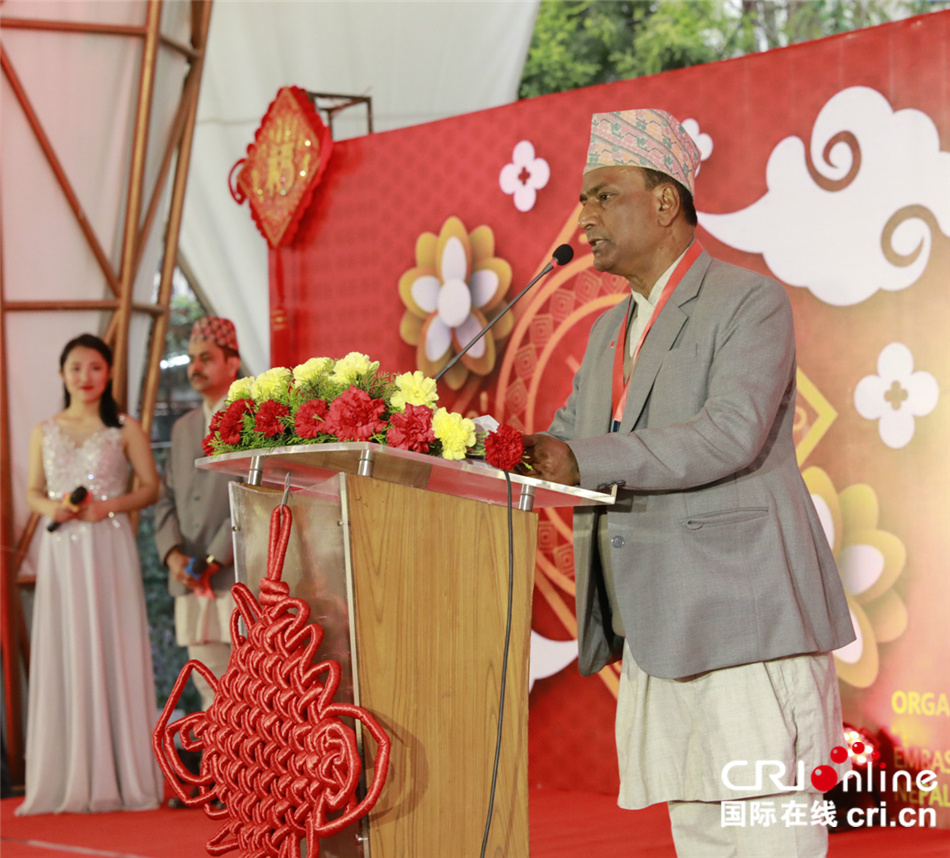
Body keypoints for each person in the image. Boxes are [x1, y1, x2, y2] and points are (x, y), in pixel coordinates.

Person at [522, 109, 855, 857]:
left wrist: (584, 460)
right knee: (699, 830)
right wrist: (468, 448)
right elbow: (565, 444)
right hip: (658, 625)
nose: (585, 216)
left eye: (604, 195)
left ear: (665, 202)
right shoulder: (611, 326)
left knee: (769, 828)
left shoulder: (748, 301)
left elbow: (729, 433)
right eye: (585, 199)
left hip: (746, 617)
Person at [18, 333, 163, 815]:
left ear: (108, 374)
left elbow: (150, 488)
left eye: (95, 368)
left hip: (109, 545)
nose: (86, 377)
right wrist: (55, 508)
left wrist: (108, 507)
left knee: (113, 642)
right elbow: (34, 493)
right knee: (68, 645)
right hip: (61, 549)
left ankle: (124, 774)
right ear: (62, 374)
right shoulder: (45, 429)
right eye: (76, 368)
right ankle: (69, 772)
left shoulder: (125, 427)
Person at [154, 317, 241, 716]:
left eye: (206, 358)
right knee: (209, 693)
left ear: (232, 364)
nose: (195, 367)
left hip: (234, 575)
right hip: (189, 579)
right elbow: (166, 497)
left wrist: (212, 560)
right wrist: (173, 557)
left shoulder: (253, 418)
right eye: (191, 359)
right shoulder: (185, 426)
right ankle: (219, 776)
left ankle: (246, 777)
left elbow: (253, 492)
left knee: (245, 692)